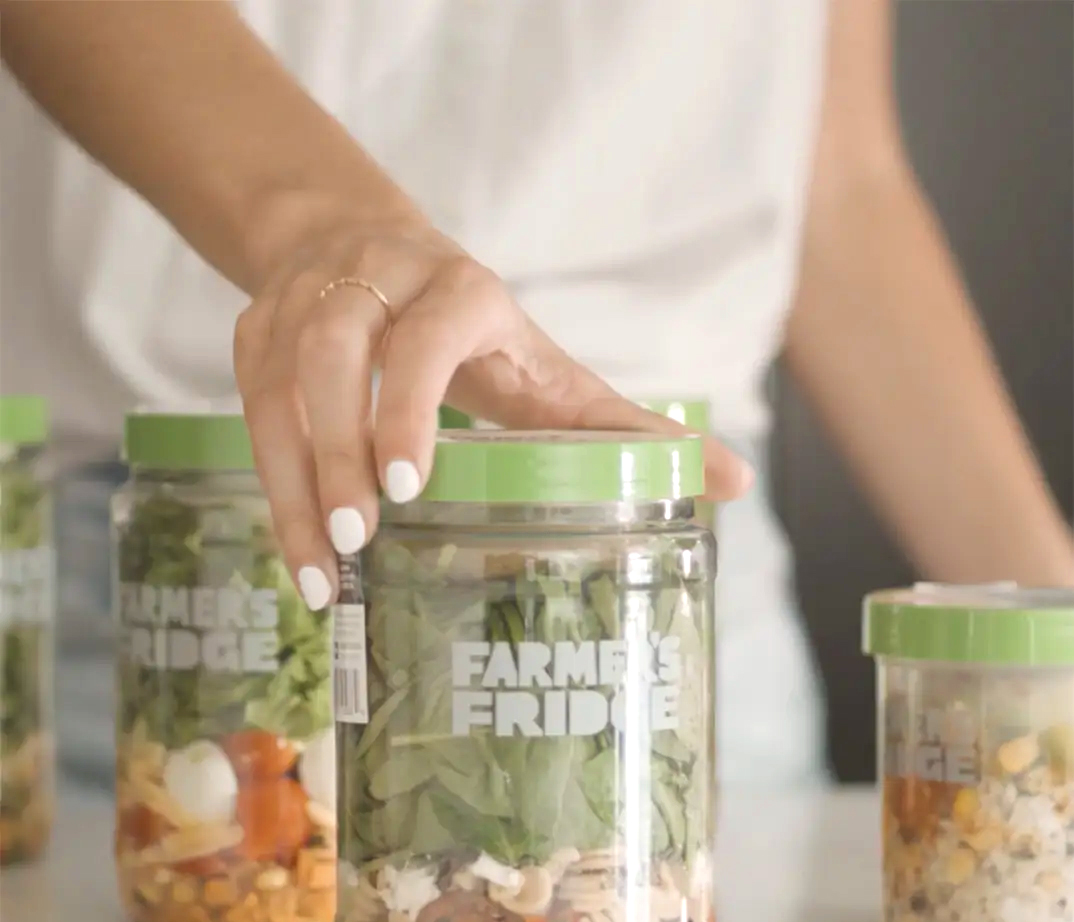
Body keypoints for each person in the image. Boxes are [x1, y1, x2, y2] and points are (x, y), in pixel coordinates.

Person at [2, 0, 1071, 788]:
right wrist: (322, 231)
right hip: (214, 576)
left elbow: (834, 177)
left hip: (662, 577)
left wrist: (1051, 637)